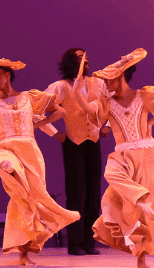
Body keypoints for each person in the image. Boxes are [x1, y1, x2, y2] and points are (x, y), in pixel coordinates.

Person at [0, 51, 80, 265]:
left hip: (30, 152)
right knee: (8, 166)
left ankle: (25, 252)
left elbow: (59, 112)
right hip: (5, 148)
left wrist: (36, 126)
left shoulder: (29, 97)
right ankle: (7, 166)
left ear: (8, 75)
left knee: (30, 199)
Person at [85, 48, 154, 268]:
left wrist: (153, 122)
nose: (106, 84)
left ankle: (141, 258)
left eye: (109, 80)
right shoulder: (105, 103)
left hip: (147, 154)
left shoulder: (143, 95)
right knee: (110, 196)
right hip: (124, 154)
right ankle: (139, 199)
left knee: (144, 214)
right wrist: (83, 96)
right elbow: (90, 114)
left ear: (120, 77)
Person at [42, 48, 107, 255]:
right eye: (80, 58)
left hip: (93, 142)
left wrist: (108, 127)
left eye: (87, 58)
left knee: (93, 194)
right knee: (76, 195)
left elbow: (113, 108)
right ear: (70, 62)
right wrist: (54, 133)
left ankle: (89, 241)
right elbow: (37, 109)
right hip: (73, 143)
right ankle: (75, 243)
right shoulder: (60, 87)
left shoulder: (99, 83)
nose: (86, 61)